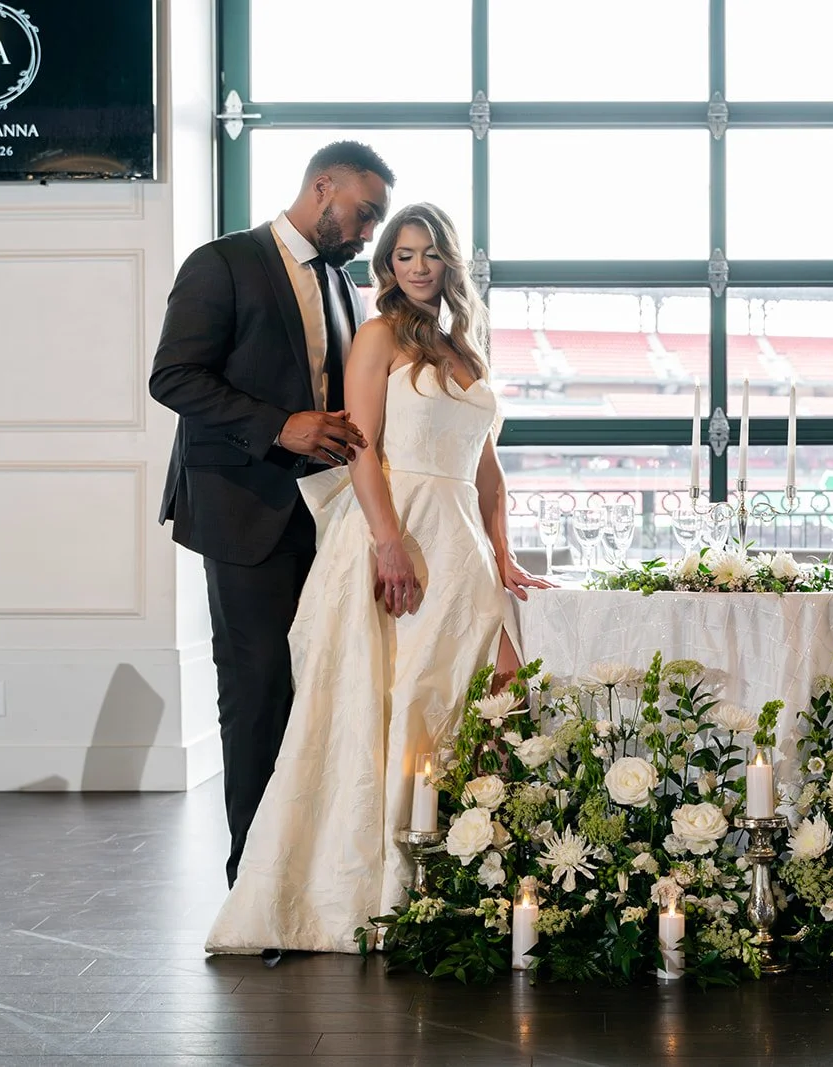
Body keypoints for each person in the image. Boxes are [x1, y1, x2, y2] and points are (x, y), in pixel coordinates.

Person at [205, 203, 549, 955]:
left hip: (461, 537)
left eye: (429, 253)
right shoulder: (378, 336)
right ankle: (386, 883)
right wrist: (388, 543)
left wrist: (503, 549)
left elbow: (487, 466)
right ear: (387, 266)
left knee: (489, 688)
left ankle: (465, 875)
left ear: (450, 260)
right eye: (403, 253)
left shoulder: (467, 346)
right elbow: (359, 447)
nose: (418, 266)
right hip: (400, 526)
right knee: (397, 696)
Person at [150, 141, 393, 888]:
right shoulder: (222, 262)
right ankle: (254, 878)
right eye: (364, 213)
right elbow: (173, 376)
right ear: (323, 186)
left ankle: (313, 862)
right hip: (243, 509)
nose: (368, 234)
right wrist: (278, 425)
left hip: (332, 519)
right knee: (256, 692)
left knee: (321, 686)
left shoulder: (349, 288)